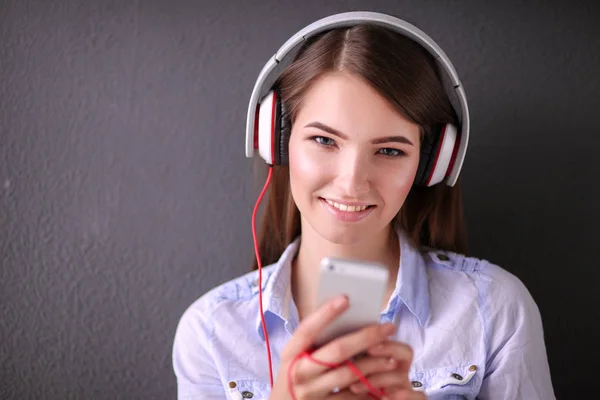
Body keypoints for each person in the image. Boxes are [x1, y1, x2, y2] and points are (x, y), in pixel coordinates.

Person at [172, 11, 556, 400]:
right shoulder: (211, 332)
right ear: (278, 139)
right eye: (324, 141)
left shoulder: (495, 311)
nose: (352, 182)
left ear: (430, 164)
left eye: (390, 150)